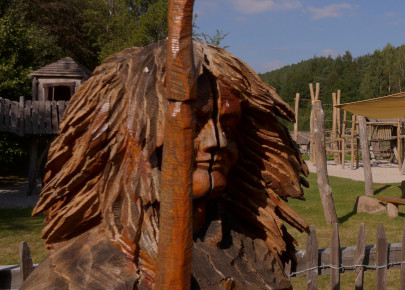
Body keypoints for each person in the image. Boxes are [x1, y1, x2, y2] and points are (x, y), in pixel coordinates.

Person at [22, 41, 309, 289]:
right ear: (129, 135)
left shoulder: (254, 256)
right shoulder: (76, 277)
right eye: (193, 125)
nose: (218, 141)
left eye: (229, 128)